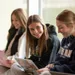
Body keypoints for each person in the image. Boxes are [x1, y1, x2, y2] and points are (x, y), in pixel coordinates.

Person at [38, 9, 75, 74]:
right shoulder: (65, 39)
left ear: (72, 25)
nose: (58, 31)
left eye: (61, 27)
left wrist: (53, 69)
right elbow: (59, 60)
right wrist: (51, 66)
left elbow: (73, 68)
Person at [0, 8, 27, 74]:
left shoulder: (25, 34)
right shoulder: (14, 31)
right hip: (8, 61)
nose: (14, 22)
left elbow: (20, 55)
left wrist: (8, 58)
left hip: (15, 63)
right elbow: (8, 50)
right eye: (12, 20)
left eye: (16, 20)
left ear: (22, 19)